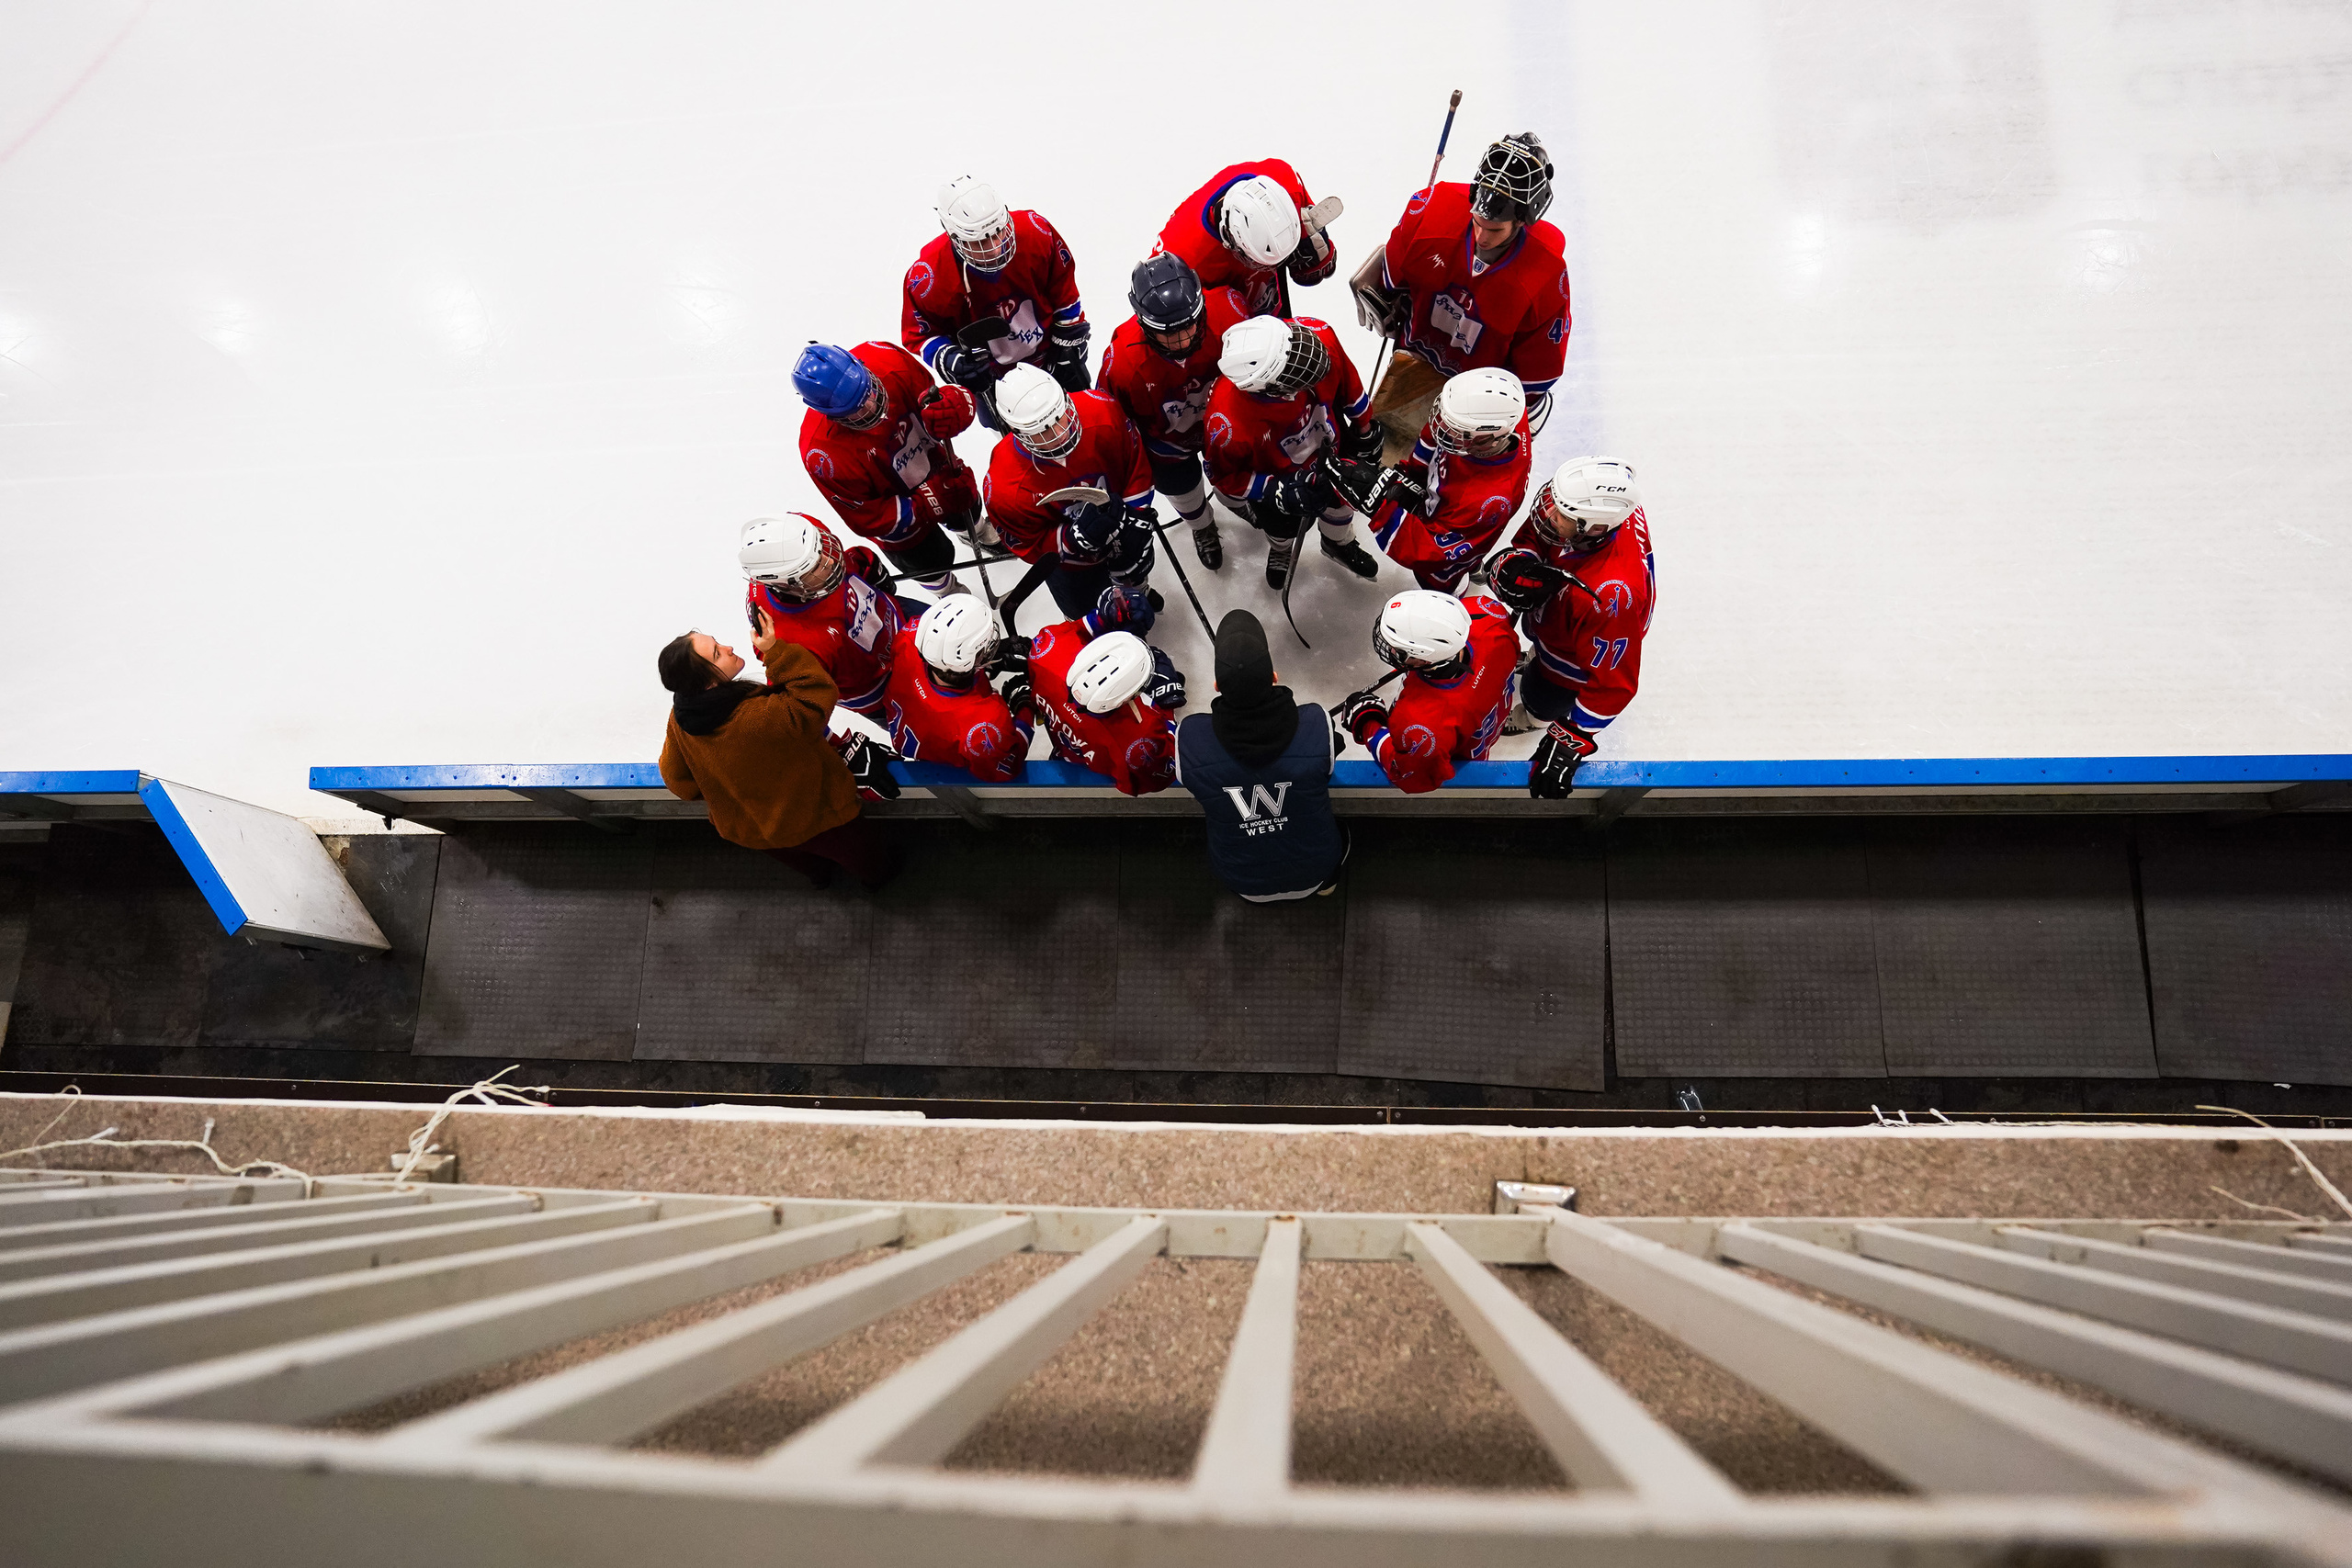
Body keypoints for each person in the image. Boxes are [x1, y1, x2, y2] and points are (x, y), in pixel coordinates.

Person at [1351, 132, 1571, 462]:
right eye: (1477, 221)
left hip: (1473, 404)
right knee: (1379, 456)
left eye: (1495, 229)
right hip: (1411, 363)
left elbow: (1534, 377)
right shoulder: (1431, 212)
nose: (1482, 235)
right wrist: (1382, 294)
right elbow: (1389, 282)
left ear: (1526, 218)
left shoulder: (1546, 275)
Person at [655, 619, 902, 889]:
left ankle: (821, 877)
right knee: (864, 857)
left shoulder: (681, 718)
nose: (728, 648)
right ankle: (881, 879)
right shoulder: (759, 718)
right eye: (717, 653)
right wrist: (775, 651)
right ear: (707, 684)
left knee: (803, 860)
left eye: (717, 643)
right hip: (817, 819)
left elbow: (678, 781)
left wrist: (732, 786)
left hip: (749, 830)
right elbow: (814, 695)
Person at [1487, 456, 1656, 798]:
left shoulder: (1610, 598)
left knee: (1541, 696)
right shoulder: (1601, 511)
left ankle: (1532, 718)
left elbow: (1613, 686)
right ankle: (1537, 656)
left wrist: (1572, 738)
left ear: (1593, 529)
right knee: (1547, 640)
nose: (1547, 513)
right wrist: (1525, 560)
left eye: (1559, 514)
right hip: (1570, 626)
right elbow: (1541, 533)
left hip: (1573, 661)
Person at [1174, 610, 1347, 901]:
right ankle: (1327, 886)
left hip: (1243, 881)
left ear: (1217, 687)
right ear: (1274, 678)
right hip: (1315, 872)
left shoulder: (1190, 739)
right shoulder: (1316, 723)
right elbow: (1329, 753)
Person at [1204, 314, 1384, 590]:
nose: (1311, 361)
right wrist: (1273, 489)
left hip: (1328, 439)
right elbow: (1226, 477)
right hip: (1280, 475)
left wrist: (1365, 427)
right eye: (1293, 371)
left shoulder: (1316, 337)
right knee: (1281, 525)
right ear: (1267, 387)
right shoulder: (1227, 422)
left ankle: (1337, 542)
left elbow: (1345, 377)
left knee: (1346, 494)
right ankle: (1281, 546)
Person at [1097, 254, 1251, 571]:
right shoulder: (1123, 362)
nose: (1183, 340)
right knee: (1183, 491)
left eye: (1189, 326)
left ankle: (1237, 502)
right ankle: (1201, 527)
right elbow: (1115, 423)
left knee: (1238, 481)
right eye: (1169, 333)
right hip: (1167, 445)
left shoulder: (1231, 312)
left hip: (1226, 427)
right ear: (1143, 322)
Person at [794, 340, 980, 597]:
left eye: (868, 391)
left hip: (936, 465)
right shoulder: (822, 454)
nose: (872, 407)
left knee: (966, 506)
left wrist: (954, 406)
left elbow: (935, 397)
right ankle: (948, 591)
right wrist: (928, 503)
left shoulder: (888, 360)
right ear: (827, 413)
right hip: (902, 521)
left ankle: (978, 532)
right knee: (928, 562)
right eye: (857, 410)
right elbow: (867, 517)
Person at [903, 176, 1088, 427]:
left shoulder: (1035, 232)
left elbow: (1063, 288)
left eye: (998, 232)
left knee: (1085, 425)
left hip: (1053, 354)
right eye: (979, 241)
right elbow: (921, 334)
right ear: (953, 236)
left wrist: (1069, 344)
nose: (994, 248)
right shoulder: (930, 277)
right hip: (995, 380)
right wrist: (953, 361)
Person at [1329, 367, 1532, 594]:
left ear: (1488, 438)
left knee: (1442, 576)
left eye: (1457, 430)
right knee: (1471, 541)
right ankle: (1473, 557)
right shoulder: (1504, 413)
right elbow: (1438, 434)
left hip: (1460, 528)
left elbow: (1434, 554)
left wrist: (1381, 509)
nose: (1441, 428)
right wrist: (1413, 473)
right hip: (1458, 513)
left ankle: (1463, 573)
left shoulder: (1484, 501)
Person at [983, 363, 1161, 617]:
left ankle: (1138, 591)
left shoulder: (1102, 409)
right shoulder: (1004, 485)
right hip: (1071, 565)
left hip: (1121, 522)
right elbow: (1028, 543)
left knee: (1136, 565)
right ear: (1018, 431)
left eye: (1061, 417)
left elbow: (1134, 466)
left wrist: (1136, 517)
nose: (1060, 433)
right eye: (1042, 430)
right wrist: (1072, 539)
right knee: (1082, 609)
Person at [1335, 589, 1520, 795]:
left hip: (1456, 754)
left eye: (1399, 649)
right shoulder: (1486, 617)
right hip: (1484, 724)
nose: (1392, 650)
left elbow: (1407, 775)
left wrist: (1367, 723)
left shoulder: (1422, 724)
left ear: (1425, 659)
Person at [737, 513, 912, 720]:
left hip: (894, 615)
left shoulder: (802, 534)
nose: (829, 561)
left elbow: (846, 557)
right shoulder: (790, 639)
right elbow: (793, 705)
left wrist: (866, 563)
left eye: (821, 549)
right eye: (815, 567)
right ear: (787, 584)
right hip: (880, 687)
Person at [1024, 585, 1185, 796]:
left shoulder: (1049, 652)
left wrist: (1103, 617)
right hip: (1102, 763)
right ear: (1128, 697)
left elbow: (1078, 630)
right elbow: (1162, 771)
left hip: (1069, 750)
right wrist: (1165, 705)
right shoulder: (1139, 739)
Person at [1155, 159, 1337, 319]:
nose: (1271, 269)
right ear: (1230, 239)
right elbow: (1165, 315)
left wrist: (1315, 257)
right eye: (1259, 263)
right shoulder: (1183, 252)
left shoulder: (1285, 179)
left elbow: (1314, 274)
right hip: (1217, 299)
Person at [879, 597, 1031, 784]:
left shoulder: (909, 639)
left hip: (915, 732)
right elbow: (1007, 766)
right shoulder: (986, 722)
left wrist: (989, 662)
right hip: (945, 762)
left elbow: (946, 657)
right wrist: (1025, 706)